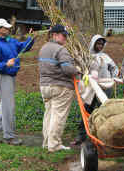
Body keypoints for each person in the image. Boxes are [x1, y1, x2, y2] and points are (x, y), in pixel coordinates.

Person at [0, 18, 35, 145]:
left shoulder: (10, 41)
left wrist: (31, 38)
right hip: (2, 77)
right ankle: (9, 137)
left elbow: (23, 47)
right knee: (8, 107)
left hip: (10, 77)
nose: (8, 29)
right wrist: (5, 64)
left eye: (8, 27)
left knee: (4, 106)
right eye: (5, 27)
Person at [38, 24, 80, 152]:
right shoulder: (61, 50)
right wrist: (78, 70)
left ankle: (47, 143)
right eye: (63, 35)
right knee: (58, 116)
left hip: (45, 86)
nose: (65, 38)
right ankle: (54, 145)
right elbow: (67, 69)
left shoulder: (43, 48)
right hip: (61, 87)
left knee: (49, 114)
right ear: (54, 35)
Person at [72, 34, 119, 145]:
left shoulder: (106, 57)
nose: (100, 46)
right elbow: (81, 69)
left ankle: (104, 135)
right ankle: (82, 135)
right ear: (93, 44)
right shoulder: (86, 56)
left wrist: (115, 75)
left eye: (102, 44)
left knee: (104, 111)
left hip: (104, 86)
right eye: (98, 43)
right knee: (87, 110)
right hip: (91, 88)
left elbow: (114, 68)